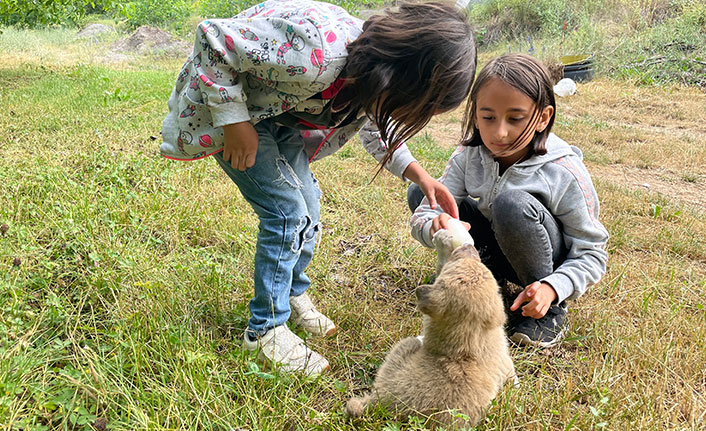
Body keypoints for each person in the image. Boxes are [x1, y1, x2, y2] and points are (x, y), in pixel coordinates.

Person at [160, 0, 477, 374]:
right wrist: (234, 121)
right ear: (402, 73)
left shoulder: (372, 79)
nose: (409, 116)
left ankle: (291, 293)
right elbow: (214, 39)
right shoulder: (317, 53)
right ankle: (265, 330)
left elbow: (377, 126)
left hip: (279, 118)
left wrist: (420, 176)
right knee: (286, 213)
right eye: (415, 107)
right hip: (237, 112)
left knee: (309, 203)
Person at [409, 54, 609, 348]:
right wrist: (436, 227)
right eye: (488, 117)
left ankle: (548, 311)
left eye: (515, 119)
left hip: (543, 263)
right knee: (423, 192)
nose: (499, 132)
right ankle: (487, 280)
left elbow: (593, 253)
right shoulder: (469, 156)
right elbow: (424, 215)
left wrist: (554, 288)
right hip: (497, 246)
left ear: (543, 117)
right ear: (475, 114)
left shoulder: (564, 172)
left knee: (510, 203)